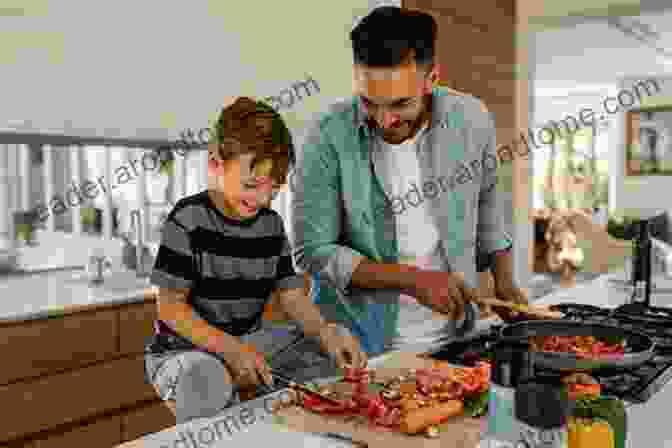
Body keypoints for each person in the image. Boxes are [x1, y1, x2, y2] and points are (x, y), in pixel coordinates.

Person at [289, 6, 528, 356]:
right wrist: (413, 280)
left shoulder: (472, 119)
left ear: (432, 78)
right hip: (358, 348)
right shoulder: (326, 133)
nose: (385, 120)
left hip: (454, 339)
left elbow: (488, 199)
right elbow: (312, 251)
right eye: (370, 103)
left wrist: (504, 282)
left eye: (401, 103)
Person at [144, 97, 366, 424]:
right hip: (183, 351)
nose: (262, 198)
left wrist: (327, 333)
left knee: (325, 351)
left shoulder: (271, 226)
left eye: (273, 189)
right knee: (203, 381)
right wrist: (229, 350)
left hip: (248, 343)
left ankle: (282, 426)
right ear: (216, 164)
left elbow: (292, 298)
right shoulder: (187, 219)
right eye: (251, 185)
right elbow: (170, 308)